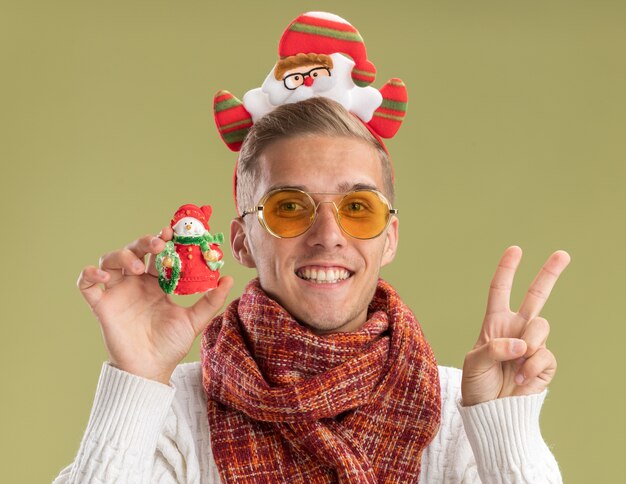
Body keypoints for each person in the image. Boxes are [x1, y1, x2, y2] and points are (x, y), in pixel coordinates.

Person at [54, 97, 569, 483]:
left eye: (358, 208)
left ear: (389, 238)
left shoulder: (465, 411)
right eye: (290, 208)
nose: (328, 234)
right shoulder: (168, 412)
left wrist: (506, 429)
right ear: (242, 241)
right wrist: (136, 378)